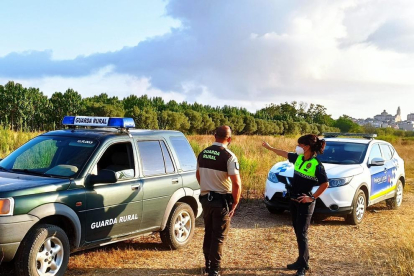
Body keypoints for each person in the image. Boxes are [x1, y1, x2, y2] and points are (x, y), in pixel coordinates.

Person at [262, 134, 329, 276]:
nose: (298, 147)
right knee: (298, 232)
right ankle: (300, 260)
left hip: (305, 203)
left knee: (302, 233)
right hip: (293, 201)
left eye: (300, 145)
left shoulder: (317, 165)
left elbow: (325, 184)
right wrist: (269, 148)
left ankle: (303, 266)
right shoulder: (298, 158)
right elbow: (284, 153)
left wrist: (311, 198)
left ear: (307, 146)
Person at [196, 125, 242, 276]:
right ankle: (214, 270)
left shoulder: (202, 154)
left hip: (206, 199)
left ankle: (207, 264)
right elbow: (236, 183)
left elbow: (198, 175)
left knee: (208, 231)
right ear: (229, 139)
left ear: (215, 136)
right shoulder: (229, 156)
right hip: (221, 201)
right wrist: (235, 202)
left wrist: (206, 187)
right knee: (219, 236)